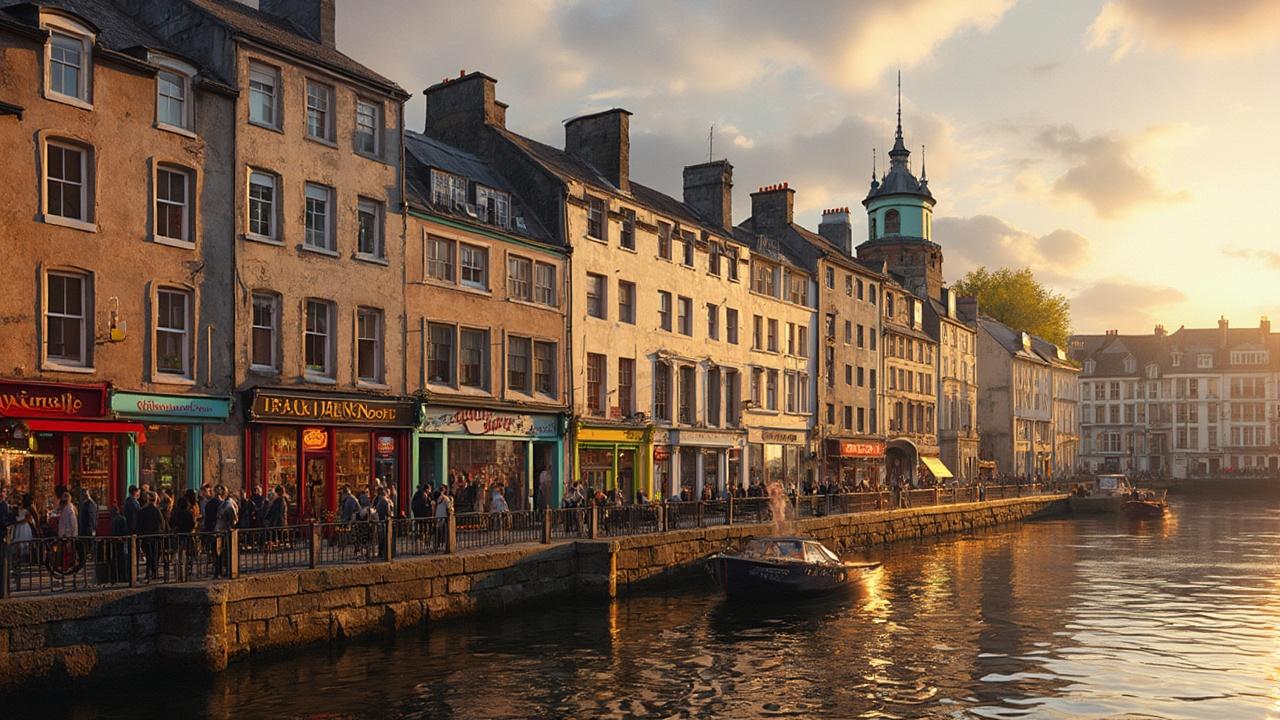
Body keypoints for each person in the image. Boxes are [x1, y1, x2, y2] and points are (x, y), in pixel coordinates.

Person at [135, 492, 166, 580]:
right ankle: (154, 572)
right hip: (155, 537)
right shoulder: (157, 511)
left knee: (149, 556)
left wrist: (140, 535)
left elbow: (139, 524)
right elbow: (161, 524)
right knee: (155, 555)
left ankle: (149, 573)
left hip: (146, 537)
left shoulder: (142, 511)